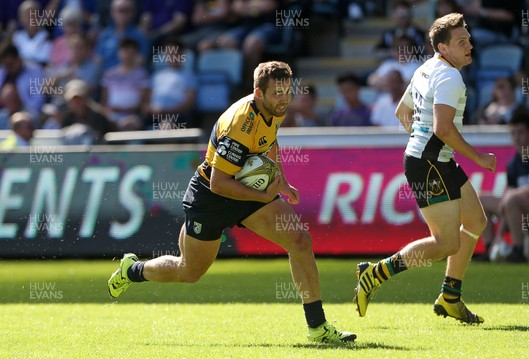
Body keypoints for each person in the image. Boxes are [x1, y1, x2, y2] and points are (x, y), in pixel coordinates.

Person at [107, 61, 356, 344]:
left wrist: (282, 182)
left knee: (299, 241)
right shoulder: (240, 123)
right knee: (188, 271)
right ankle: (133, 270)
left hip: (247, 189)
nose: (284, 98)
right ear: (258, 93)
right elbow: (219, 182)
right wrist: (263, 195)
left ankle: (317, 327)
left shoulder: (274, 108)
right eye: (278, 92)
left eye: (288, 91)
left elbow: (270, 143)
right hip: (211, 198)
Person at [354, 13, 496, 324]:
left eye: (469, 39)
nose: (469, 45)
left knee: (475, 221)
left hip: (433, 159)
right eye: (461, 42)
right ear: (443, 48)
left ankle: (450, 297)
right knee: (446, 242)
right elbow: (443, 129)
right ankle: (375, 273)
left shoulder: (426, 68)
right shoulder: (449, 76)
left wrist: (421, 142)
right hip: (430, 163)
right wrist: (479, 158)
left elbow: (402, 112)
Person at [480, 111, 529, 263]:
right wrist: (499, 237)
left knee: (511, 199)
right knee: (481, 200)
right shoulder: (513, 164)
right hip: (518, 211)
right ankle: (490, 248)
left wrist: (508, 198)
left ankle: (518, 251)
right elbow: (508, 203)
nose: (516, 137)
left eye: (520, 132)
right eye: (513, 133)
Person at [101, 38, 149, 131]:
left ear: (136, 54)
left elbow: (142, 102)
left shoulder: (142, 74)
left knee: (131, 124)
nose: (128, 55)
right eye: (125, 51)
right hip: (112, 116)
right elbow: (104, 100)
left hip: (133, 116)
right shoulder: (109, 74)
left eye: (131, 52)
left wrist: (123, 111)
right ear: (119, 53)